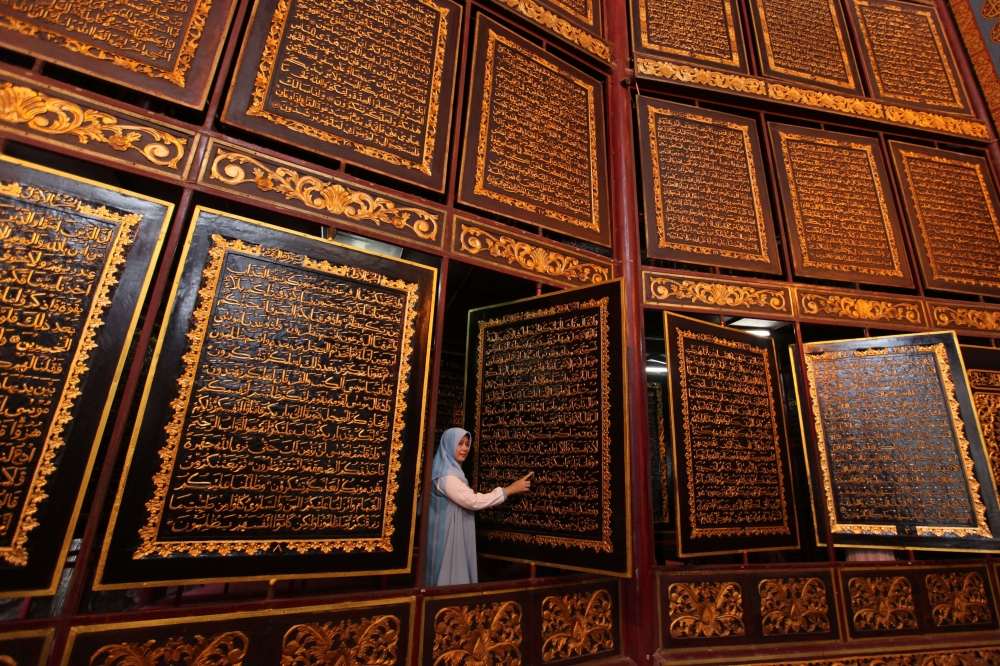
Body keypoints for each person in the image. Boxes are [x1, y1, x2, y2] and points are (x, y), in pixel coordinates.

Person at [424, 427, 533, 586]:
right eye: (459, 443)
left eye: (467, 444)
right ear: (448, 445)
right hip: (447, 536)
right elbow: (472, 500)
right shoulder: (446, 476)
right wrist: (509, 490)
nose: (465, 448)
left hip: (453, 532)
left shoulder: (452, 472)